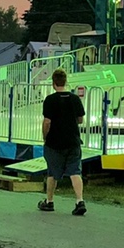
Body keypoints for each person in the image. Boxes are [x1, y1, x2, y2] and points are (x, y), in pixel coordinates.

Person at [39, 68, 86, 215]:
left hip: (54, 142)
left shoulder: (50, 100)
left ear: (53, 83)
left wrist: (45, 137)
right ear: (65, 82)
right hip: (73, 141)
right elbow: (80, 119)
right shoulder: (75, 99)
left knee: (52, 172)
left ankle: (49, 201)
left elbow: (47, 122)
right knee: (75, 171)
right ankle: (80, 201)